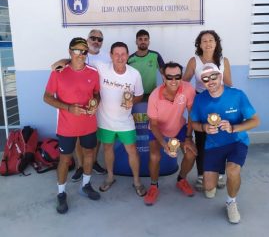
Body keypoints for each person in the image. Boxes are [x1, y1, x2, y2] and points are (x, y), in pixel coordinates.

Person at [190, 63, 260, 224]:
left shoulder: (237, 95)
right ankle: (216, 174)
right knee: (208, 189)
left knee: (233, 170)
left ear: (221, 75)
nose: (211, 81)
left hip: (237, 141)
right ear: (202, 82)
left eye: (214, 76)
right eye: (206, 79)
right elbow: (193, 123)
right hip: (213, 145)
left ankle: (231, 202)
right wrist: (204, 127)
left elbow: (255, 120)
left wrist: (234, 127)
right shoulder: (200, 99)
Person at [44, 37, 101, 214]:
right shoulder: (58, 72)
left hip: (89, 124)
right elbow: (46, 97)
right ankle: (61, 194)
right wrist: (68, 108)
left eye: (84, 51)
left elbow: (97, 94)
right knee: (65, 159)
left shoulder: (93, 72)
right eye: (77, 50)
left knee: (90, 153)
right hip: (66, 126)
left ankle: (86, 185)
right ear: (69, 52)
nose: (81, 54)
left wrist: (95, 104)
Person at [94, 41, 147, 197]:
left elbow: (139, 95)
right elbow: (80, 62)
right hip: (104, 120)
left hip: (125, 121)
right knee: (108, 148)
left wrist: (132, 102)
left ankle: (137, 181)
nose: (120, 57)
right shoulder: (101, 67)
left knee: (132, 150)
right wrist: (62, 62)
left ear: (128, 55)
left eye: (123, 54)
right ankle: (110, 177)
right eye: (116, 54)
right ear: (111, 55)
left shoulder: (134, 74)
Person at [183, 30, 232, 191]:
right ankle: (202, 175)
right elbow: (184, 83)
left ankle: (218, 174)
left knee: (220, 140)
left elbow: (229, 85)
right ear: (199, 44)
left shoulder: (223, 61)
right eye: (204, 40)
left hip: (219, 103)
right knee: (202, 140)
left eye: (211, 40)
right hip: (201, 104)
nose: (208, 43)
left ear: (216, 43)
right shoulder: (194, 61)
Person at [144, 62, 197, 206]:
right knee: (155, 157)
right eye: (169, 77)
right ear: (163, 77)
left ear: (181, 77)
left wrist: (188, 138)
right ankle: (154, 186)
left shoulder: (188, 89)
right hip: (158, 130)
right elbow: (153, 125)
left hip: (179, 127)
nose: (173, 81)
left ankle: (181, 179)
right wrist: (164, 144)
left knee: (191, 153)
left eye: (177, 77)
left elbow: (192, 114)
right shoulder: (154, 96)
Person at [71, 29, 109, 182]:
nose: (96, 41)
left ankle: (93, 162)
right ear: (87, 39)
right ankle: (81, 166)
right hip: (79, 101)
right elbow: (64, 65)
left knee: (97, 133)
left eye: (99, 39)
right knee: (79, 135)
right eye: (93, 38)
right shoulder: (79, 54)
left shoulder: (107, 56)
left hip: (100, 99)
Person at [127, 29, 165, 100]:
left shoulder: (155, 56)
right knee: (136, 111)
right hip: (134, 95)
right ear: (136, 42)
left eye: (145, 39)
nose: (143, 41)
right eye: (140, 39)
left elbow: (165, 74)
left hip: (151, 95)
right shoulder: (129, 59)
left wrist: (165, 91)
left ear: (149, 42)